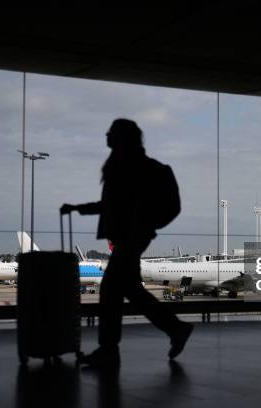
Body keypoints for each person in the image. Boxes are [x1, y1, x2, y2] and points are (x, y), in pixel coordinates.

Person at [61, 118, 193, 368]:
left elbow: (125, 207)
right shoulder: (129, 167)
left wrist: (146, 226)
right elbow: (112, 206)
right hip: (128, 238)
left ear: (122, 138)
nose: (106, 137)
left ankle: (110, 351)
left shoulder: (136, 168)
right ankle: (175, 328)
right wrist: (79, 208)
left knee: (111, 291)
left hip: (131, 239)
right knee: (131, 291)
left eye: (110, 133)